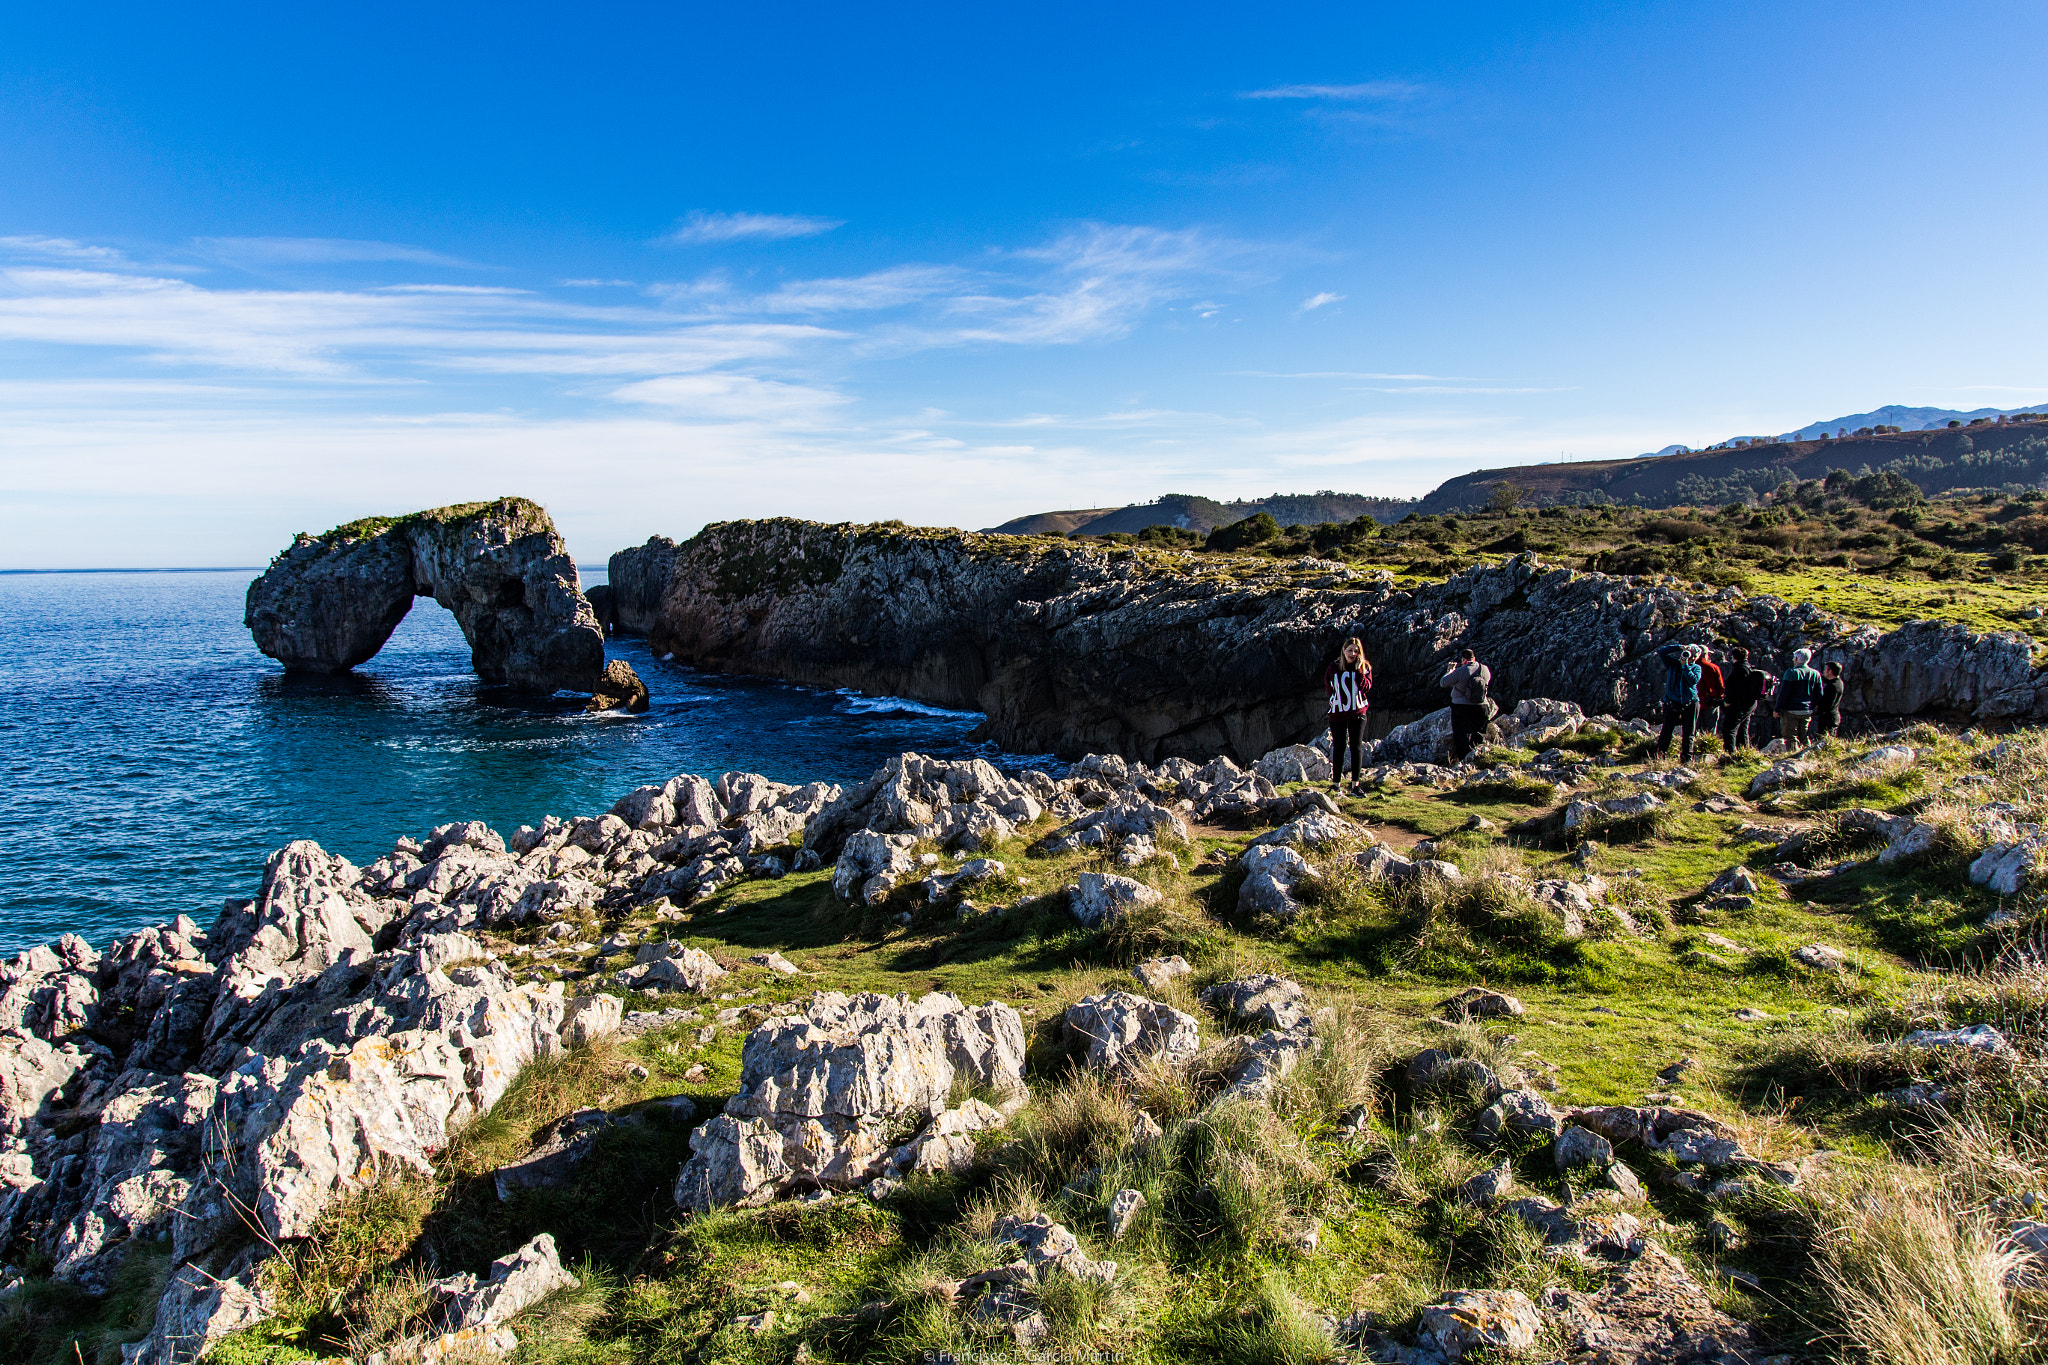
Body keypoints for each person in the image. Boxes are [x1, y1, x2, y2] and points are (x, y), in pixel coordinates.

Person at [1324, 637, 1372, 790]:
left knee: (1356, 747)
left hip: (1357, 713)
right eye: (1349, 650)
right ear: (1343, 650)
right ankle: (1336, 784)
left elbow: (1366, 688)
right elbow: (1329, 688)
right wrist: (1339, 701)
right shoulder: (1333, 667)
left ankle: (1355, 786)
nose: (1352, 653)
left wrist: (1358, 671)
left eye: (1355, 651)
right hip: (1338, 713)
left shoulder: (1364, 668)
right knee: (1339, 747)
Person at [1655, 642, 1703, 762]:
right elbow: (1661, 651)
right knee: (1666, 730)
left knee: (1689, 732)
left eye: (1692, 654)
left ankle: (1687, 758)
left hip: (1690, 703)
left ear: (1696, 657)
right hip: (1672, 702)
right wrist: (1679, 647)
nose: (1689, 656)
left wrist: (1685, 666)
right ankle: (1659, 756)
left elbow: (1693, 681)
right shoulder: (1672, 663)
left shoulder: (1696, 668)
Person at [1442, 649, 1491, 763]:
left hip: (1461, 706)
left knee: (1461, 734)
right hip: (1482, 705)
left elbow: (1444, 682)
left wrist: (1450, 670)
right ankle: (1478, 757)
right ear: (1474, 658)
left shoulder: (1461, 671)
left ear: (1463, 660)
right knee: (1479, 732)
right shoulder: (1485, 669)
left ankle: (1464, 760)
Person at [1720, 647, 1765, 751]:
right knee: (1742, 729)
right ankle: (1743, 752)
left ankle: (1730, 754)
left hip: (1739, 705)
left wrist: (1728, 701)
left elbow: (1737, 689)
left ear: (1733, 657)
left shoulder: (1739, 669)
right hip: (1750, 704)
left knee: (1729, 729)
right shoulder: (1748, 667)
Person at [1777, 648, 1824, 747]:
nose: (1793, 660)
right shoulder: (1816, 674)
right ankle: (1807, 754)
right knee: (1804, 735)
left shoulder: (1791, 672)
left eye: (1794, 658)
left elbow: (1784, 693)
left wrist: (1778, 709)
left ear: (1797, 659)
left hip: (1791, 710)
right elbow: (1819, 693)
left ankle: (1792, 758)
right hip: (1807, 710)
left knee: (1790, 736)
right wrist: (1813, 706)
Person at [1697, 648, 1726, 741]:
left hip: (1693, 703)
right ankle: (1707, 749)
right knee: (1710, 730)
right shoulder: (1712, 667)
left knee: (1693, 729)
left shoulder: (1689, 667)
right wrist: (1719, 699)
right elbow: (1720, 686)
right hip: (1710, 702)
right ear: (1705, 654)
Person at [1816, 660, 1845, 738]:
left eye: (1825, 669)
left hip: (1827, 719)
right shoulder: (1839, 682)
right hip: (1834, 716)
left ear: (1830, 671)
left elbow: (1825, 704)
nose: (1824, 671)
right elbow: (1826, 679)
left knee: (1823, 740)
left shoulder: (1831, 686)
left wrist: (1815, 705)